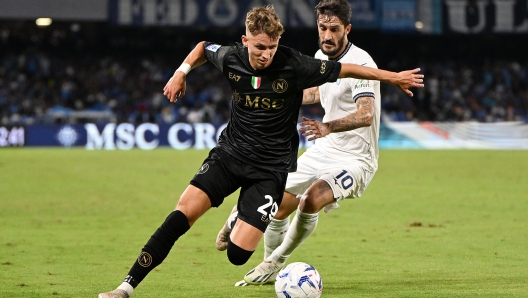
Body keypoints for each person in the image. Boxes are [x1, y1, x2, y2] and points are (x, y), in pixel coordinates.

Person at [98, 4, 423, 298]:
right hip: (234, 154)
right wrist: (180, 72)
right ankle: (125, 287)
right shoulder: (238, 57)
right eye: (322, 28)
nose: (266, 55)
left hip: (330, 160)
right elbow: (202, 48)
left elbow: (359, 92)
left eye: (272, 48)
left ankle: (259, 236)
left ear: (346, 29)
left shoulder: (304, 62)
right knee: (182, 214)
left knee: (249, 245)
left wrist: (392, 78)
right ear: (244, 41)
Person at [214, 0, 391, 287]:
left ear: (347, 29)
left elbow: (366, 114)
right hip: (325, 148)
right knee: (276, 200)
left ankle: (276, 260)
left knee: (311, 199)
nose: (327, 35)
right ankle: (266, 261)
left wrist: (327, 126)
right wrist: (275, 93)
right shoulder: (321, 55)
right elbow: (313, 95)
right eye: (322, 28)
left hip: (357, 159)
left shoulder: (361, 63)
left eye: (334, 29)